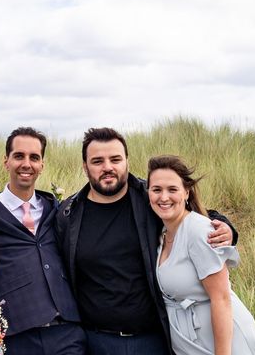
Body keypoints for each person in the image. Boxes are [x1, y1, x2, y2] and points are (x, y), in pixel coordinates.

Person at [56, 128, 237, 355]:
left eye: (115, 159)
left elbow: (191, 215)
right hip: (97, 342)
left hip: (154, 339)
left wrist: (226, 227)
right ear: (85, 167)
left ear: (127, 162)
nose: (108, 167)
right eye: (97, 161)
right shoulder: (68, 213)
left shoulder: (149, 197)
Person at [0, 127, 86, 355]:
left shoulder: (56, 209)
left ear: (42, 164)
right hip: (17, 337)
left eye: (34, 158)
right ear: (6, 161)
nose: (26, 164)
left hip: (67, 333)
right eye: (19, 156)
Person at [147, 155, 255, 354]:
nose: (163, 197)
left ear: (186, 192)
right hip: (192, 341)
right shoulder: (164, 233)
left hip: (222, 342)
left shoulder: (199, 231)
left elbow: (222, 299)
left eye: (172, 189)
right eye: (156, 190)